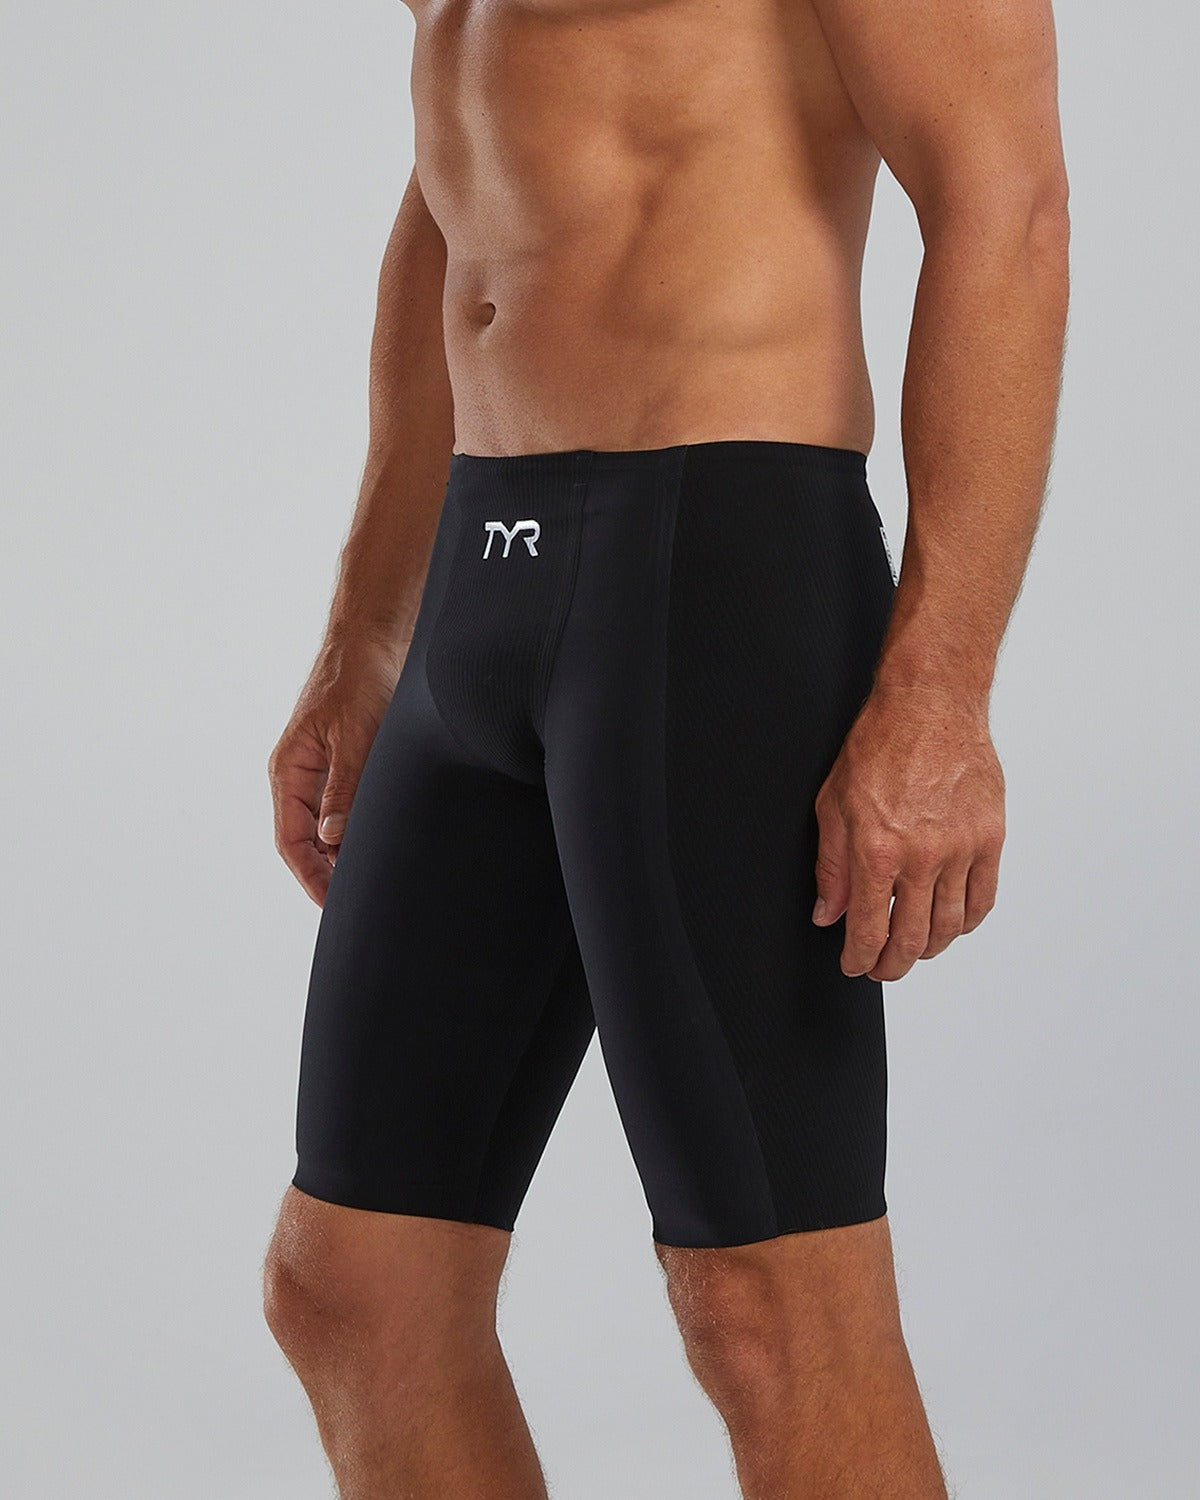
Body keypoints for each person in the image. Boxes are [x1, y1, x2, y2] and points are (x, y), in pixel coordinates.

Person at [262, 0, 1070, 1491]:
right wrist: (368, 631)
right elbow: (463, 182)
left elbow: (1002, 198)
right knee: (356, 1287)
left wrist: (941, 690)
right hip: (480, 568)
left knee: (768, 1315)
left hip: (718, 562)